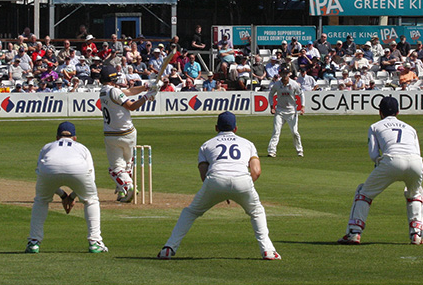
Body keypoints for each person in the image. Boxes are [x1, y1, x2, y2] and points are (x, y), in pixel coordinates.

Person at [157, 112, 281, 261]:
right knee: (256, 211)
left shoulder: (206, 145)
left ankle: (168, 248)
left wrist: (220, 191)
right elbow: (256, 171)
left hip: (215, 180)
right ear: (235, 128)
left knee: (190, 212)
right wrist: (239, 188)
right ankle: (268, 251)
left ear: (216, 127)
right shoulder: (247, 143)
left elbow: (204, 174)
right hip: (243, 180)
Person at [338, 97, 423, 245]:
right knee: (415, 193)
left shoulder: (375, 126)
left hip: (391, 160)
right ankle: (416, 234)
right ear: (398, 112)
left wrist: (380, 163)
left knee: (363, 193)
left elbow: (373, 155)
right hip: (416, 162)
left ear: (380, 112)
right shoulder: (410, 128)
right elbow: (417, 152)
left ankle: (354, 232)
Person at [25, 122, 108, 254]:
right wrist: (73, 196)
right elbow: (90, 179)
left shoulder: (47, 147)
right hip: (78, 169)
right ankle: (95, 242)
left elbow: (42, 174)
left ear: (57, 137)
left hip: (48, 169)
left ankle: (33, 242)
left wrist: (63, 195)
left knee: (41, 200)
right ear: (75, 137)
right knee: (91, 200)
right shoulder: (82, 148)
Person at [99, 65, 155, 202]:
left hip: (111, 135)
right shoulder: (114, 91)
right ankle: (127, 187)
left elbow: (128, 91)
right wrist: (146, 97)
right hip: (128, 133)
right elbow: (131, 106)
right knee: (127, 165)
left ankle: (125, 190)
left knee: (117, 167)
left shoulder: (104, 91)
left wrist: (146, 86)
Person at [267, 68, 304, 158]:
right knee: (276, 131)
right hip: (280, 111)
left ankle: (300, 151)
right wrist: (272, 107)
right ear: (280, 74)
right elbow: (271, 94)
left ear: (289, 74)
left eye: (286, 73)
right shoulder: (277, 84)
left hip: (292, 111)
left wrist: (302, 106)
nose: (285, 75)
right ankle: (272, 151)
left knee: (295, 132)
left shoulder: (294, 84)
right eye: (283, 73)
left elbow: (301, 94)